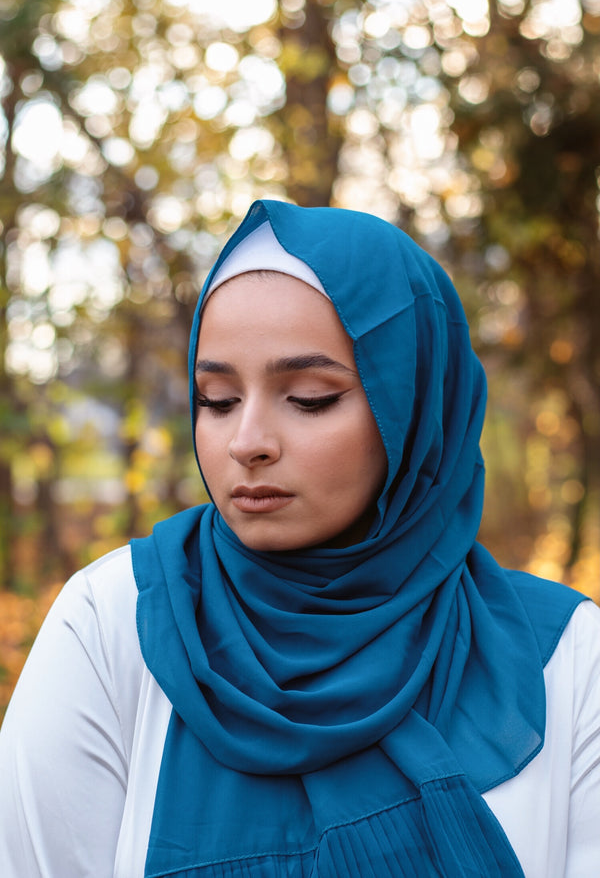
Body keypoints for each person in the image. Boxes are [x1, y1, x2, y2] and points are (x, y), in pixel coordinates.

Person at [0, 199, 599, 878]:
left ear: (414, 407)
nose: (247, 442)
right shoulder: (116, 625)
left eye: (310, 397)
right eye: (217, 400)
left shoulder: (566, 658)